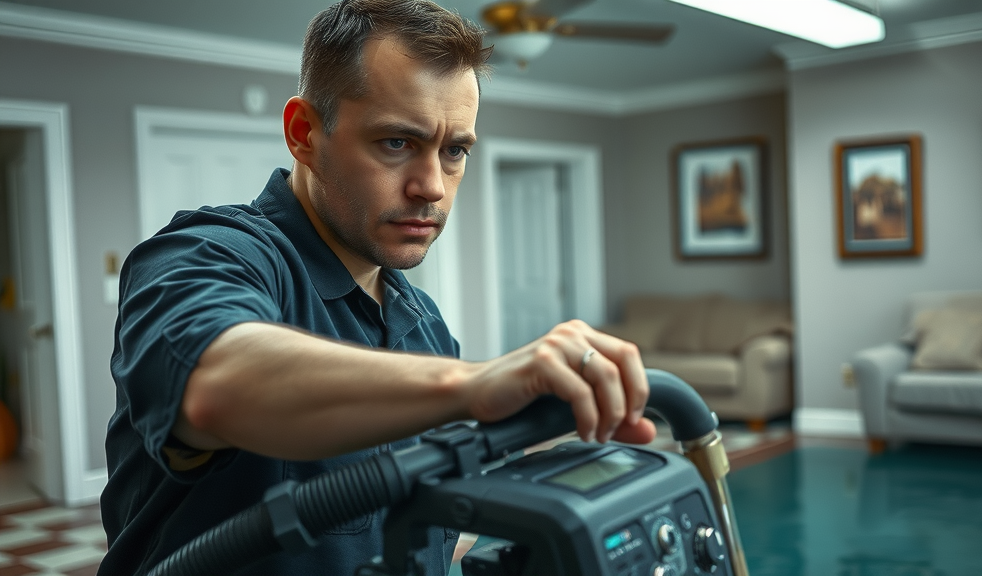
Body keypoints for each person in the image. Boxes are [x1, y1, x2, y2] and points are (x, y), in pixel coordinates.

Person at [99, 0, 656, 574]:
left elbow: (428, 526)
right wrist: (473, 384)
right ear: (304, 134)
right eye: (396, 142)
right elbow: (218, 383)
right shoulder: (206, 254)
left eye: (455, 150)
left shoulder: (426, 326)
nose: (432, 187)